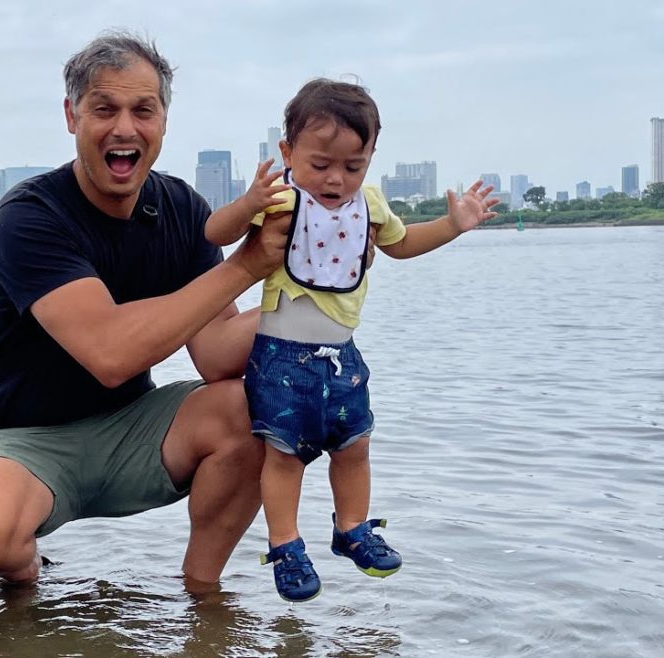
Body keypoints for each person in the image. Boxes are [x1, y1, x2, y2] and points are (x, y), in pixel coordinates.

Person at [0, 31, 293, 590]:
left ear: (163, 121)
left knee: (255, 402)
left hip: (129, 433)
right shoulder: (29, 216)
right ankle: (21, 570)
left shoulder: (181, 211)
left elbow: (218, 357)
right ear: (72, 116)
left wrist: (313, 294)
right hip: (16, 437)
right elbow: (110, 354)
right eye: (105, 109)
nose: (125, 128)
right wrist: (244, 266)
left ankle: (203, 595)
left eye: (143, 110)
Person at [203, 78, 499, 602]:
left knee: (355, 446)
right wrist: (247, 201)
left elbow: (403, 245)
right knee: (284, 456)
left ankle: (352, 528)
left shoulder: (371, 205)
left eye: (353, 166)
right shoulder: (280, 202)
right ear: (288, 153)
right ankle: (286, 545)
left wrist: (453, 226)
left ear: (370, 160)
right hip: (280, 358)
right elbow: (215, 234)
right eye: (320, 165)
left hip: (342, 358)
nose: (336, 179)